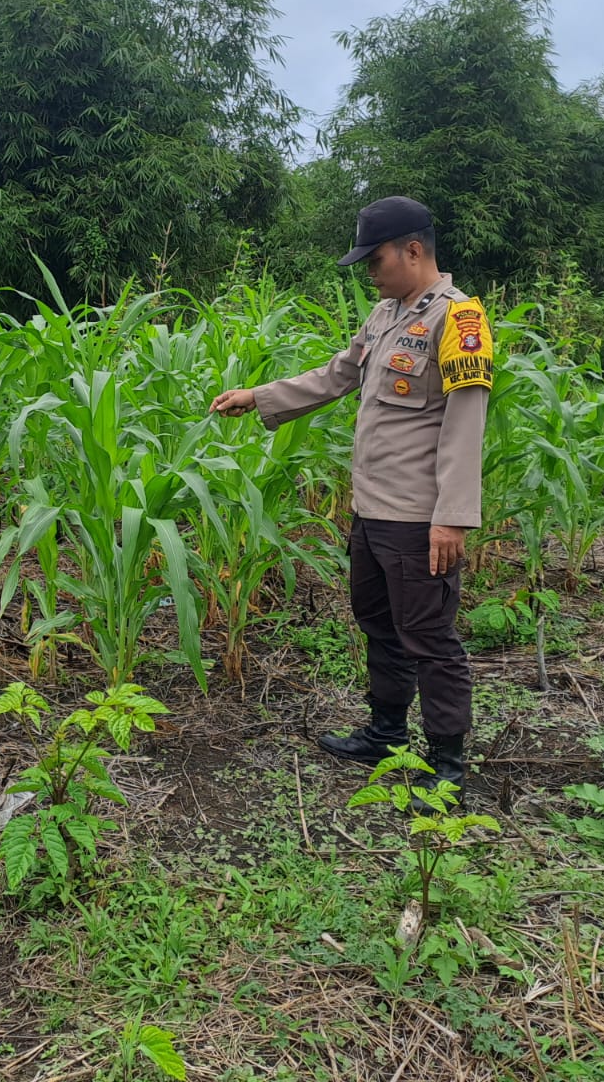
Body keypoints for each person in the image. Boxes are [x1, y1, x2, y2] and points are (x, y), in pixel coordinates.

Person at [209, 196, 491, 801]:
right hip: (372, 511)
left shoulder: (460, 321)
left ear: (413, 250)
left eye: (377, 258)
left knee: (430, 640)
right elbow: (337, 374)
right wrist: (258, 396)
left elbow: (465, 424)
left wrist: (453, 519)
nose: (371, 271)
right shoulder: (387, 313)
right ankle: (386, 734)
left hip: (420, 519)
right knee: (379, 626)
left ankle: (447, 768)